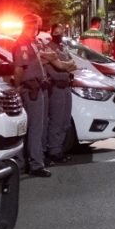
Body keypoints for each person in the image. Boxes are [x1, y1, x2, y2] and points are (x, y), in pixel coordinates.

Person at [12, 13, 57, 177]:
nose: (38, 28)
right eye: (37, 25)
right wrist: (17, 87)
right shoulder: (23, 44)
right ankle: (35, 164)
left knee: (36, 127)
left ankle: (29, 161)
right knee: (35, 128)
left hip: (38, 87)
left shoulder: (31, 43)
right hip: (32, 89)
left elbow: (34, 63)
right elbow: (18, 68)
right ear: (30, 25)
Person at [43, 23, 78, 165]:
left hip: (66, 87)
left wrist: (65, 65)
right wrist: (65, 65)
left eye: (61, 32)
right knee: (56, 121)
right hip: (56, 88)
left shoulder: (62, 48)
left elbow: (73, 64)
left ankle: (59, 149)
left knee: (65, 121)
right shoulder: (48, 48)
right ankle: (53, 151)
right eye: (56, 32)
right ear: (51, 33)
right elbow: (58, 67)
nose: (59, 34)